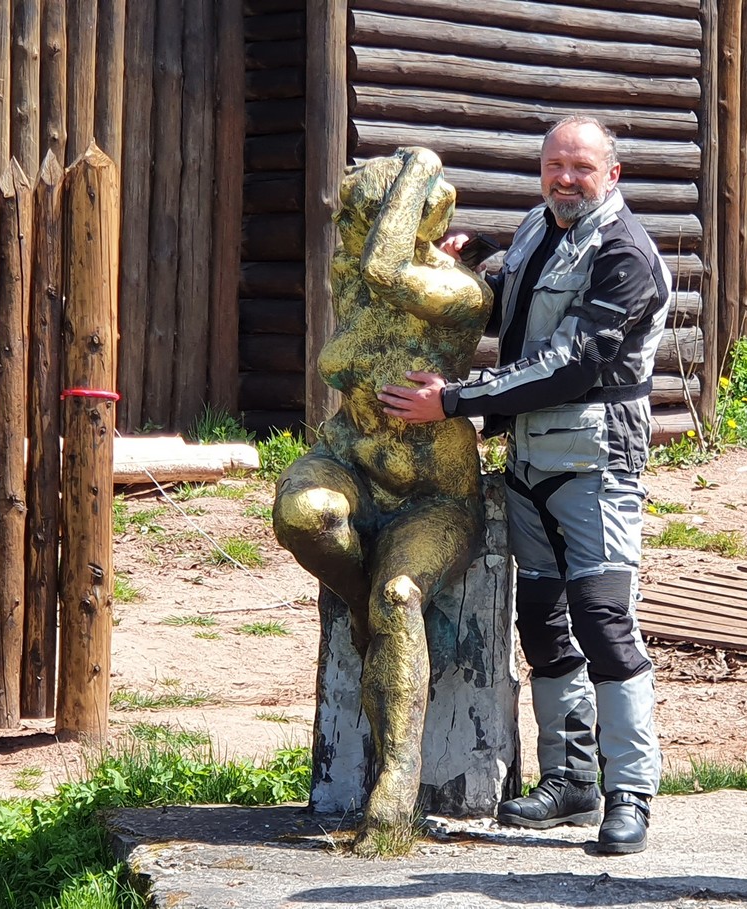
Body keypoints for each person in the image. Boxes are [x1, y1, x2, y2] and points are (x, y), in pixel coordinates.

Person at [379, 116, 672, 855]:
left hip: (596, 461)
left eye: (581, 168)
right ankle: (569, 779)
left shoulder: (626, 253)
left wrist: (454, 401)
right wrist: (474, 253)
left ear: (612, 175)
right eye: (554, 166)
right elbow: (518, 286)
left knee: (603, 620)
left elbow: (571, 363)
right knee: (542, 619)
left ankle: (629, 793)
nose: (565, 179)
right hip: (530, 460)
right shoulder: (542, 226)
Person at [273, 147, 490, 851]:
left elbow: (386, 269)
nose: (351, 233)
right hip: (350, 459)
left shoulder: (458, 292)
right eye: (351, 219)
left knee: (400, 595)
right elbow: (367, 276)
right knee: (303, 515)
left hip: (433, 492)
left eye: (364, 217)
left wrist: (419, 163)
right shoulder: (353, 284)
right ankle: (362, 608)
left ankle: (395, 788)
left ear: (412, 216)